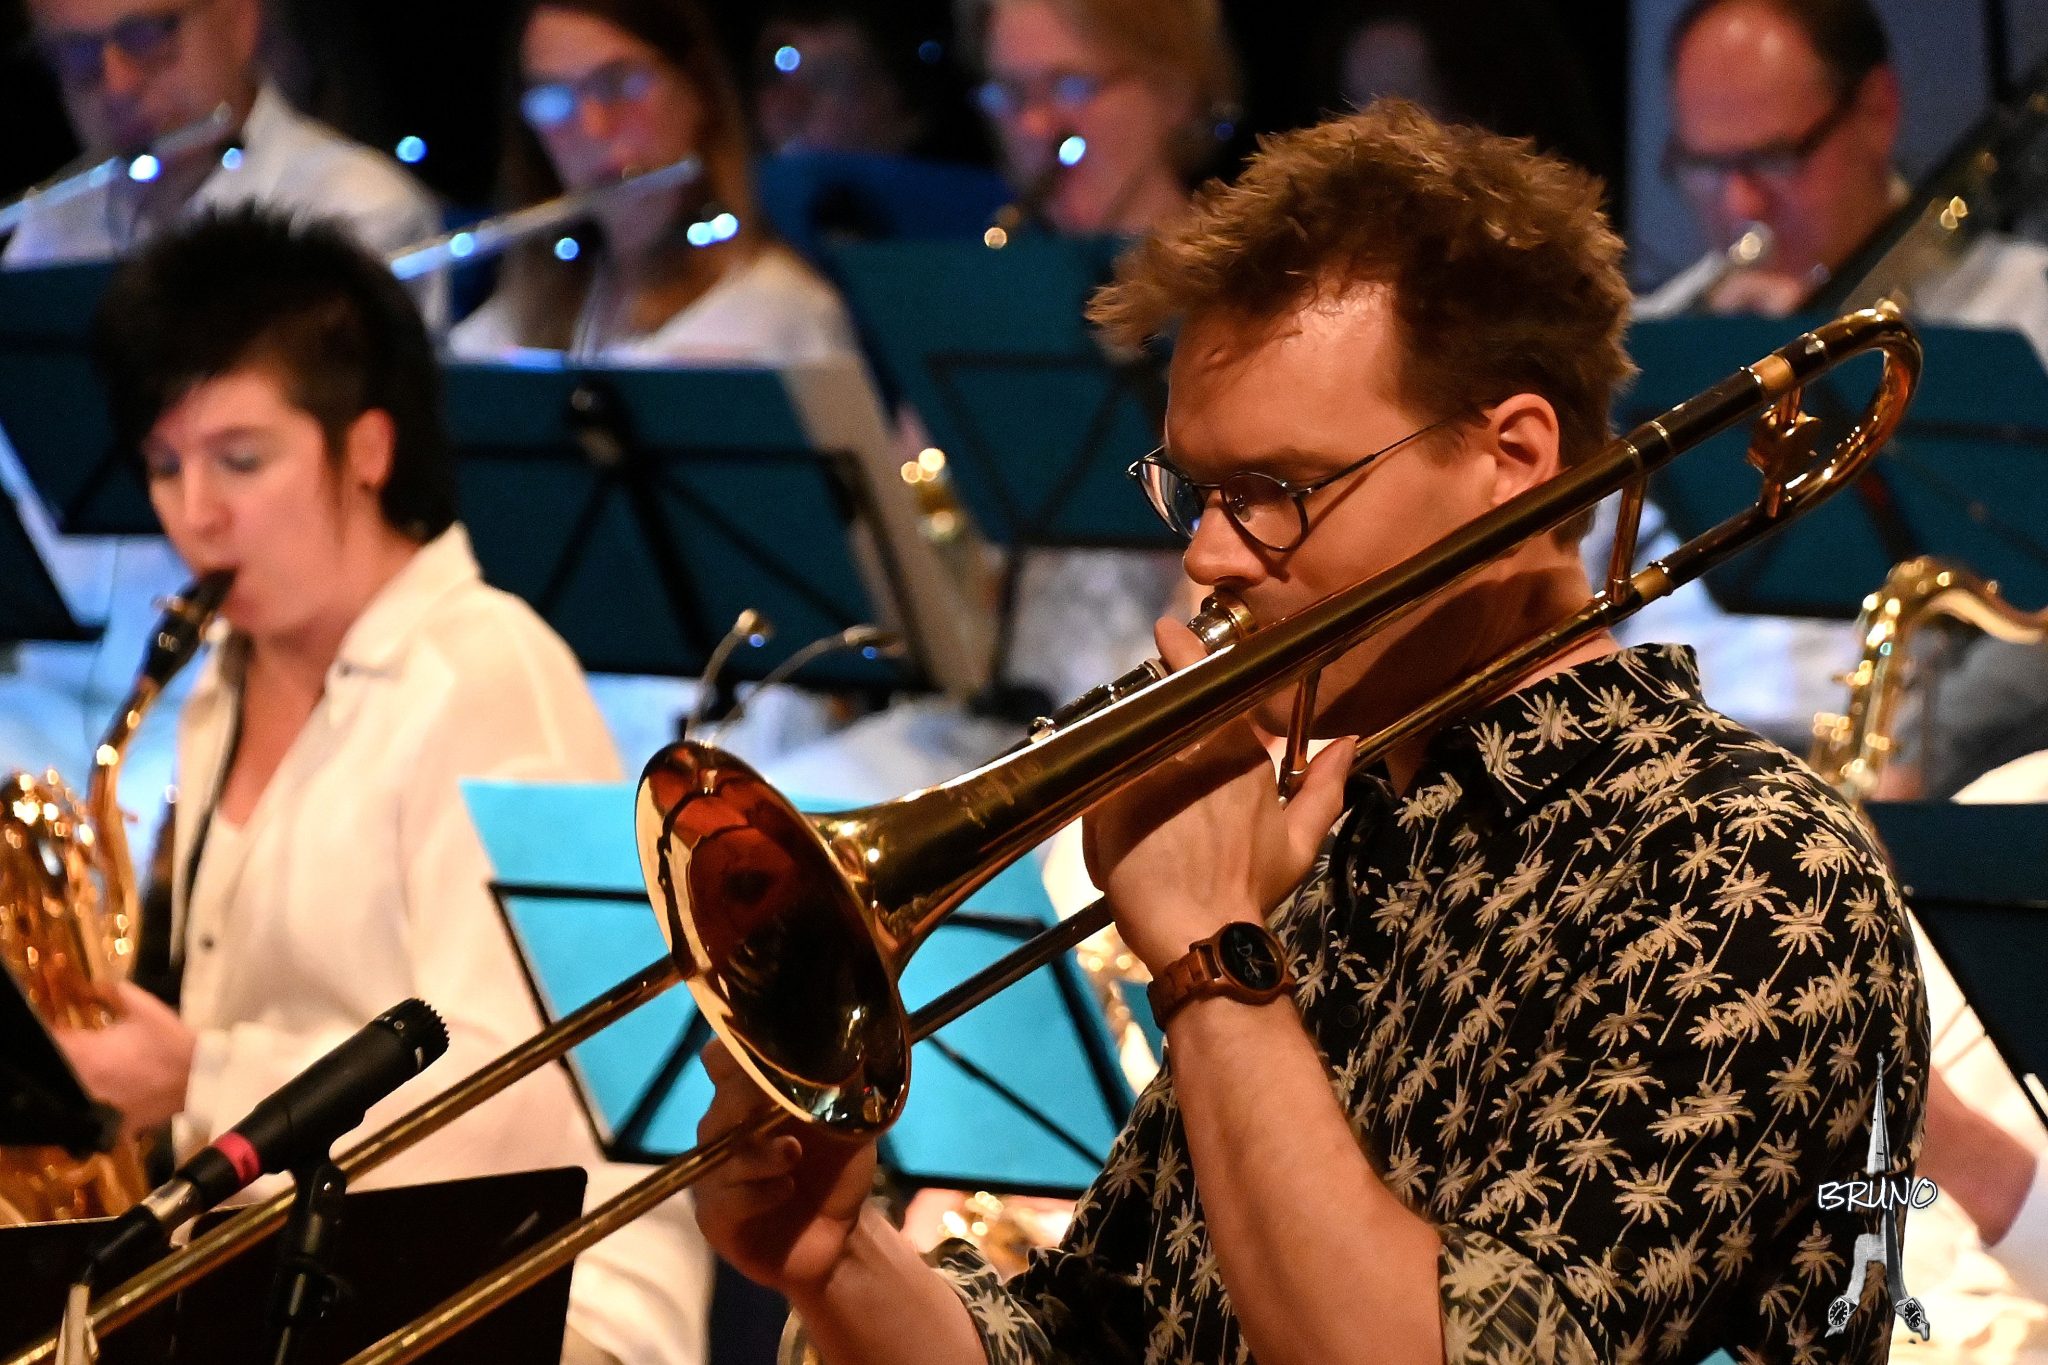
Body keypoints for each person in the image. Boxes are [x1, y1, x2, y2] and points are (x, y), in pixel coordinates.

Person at [691, 103, 1931, 1362]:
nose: (1208, 556)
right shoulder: (1334, 838)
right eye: (1195, 491)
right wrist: (839, 1264)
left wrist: (1211, 962)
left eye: (1272, 492)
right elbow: (1098, 1340)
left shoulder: (1749, 866)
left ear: (1510, 459)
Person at [58, 208, 708, 1365]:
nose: (195, 512)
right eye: (165, 465)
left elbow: (500, 1104)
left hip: (537, 1285)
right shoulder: (218, 681)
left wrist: (196, 1077)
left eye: (241, 460)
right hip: (300, 1267)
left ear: (365, 449)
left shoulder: (486, 674)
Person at [1606, 0, 2048, 750]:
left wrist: (1920, 760)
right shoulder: (1649, 340)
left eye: (1776, 158)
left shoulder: (2024, 306)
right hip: (1654, 753)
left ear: (1877, 110)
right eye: (1705, 167)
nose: (1741, 204)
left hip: (1904, 764)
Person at [447, 0, 859, 367]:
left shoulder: (782, 315)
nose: (593, 127)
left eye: (619, 83)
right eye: (553, 98)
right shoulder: (517, 322)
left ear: (698, 90)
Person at [3, 0, 437, 266]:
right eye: (76, 54)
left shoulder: (355, 210)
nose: (117, 85)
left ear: (239, 19)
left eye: (146, 36)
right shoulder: (50, 227)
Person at [961, 0, 1238, 238]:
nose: (1034, 126)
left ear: (1174, 91)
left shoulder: (1242, 275)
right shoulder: (1002, 272)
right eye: (1011, 92)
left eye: (1072, 86)